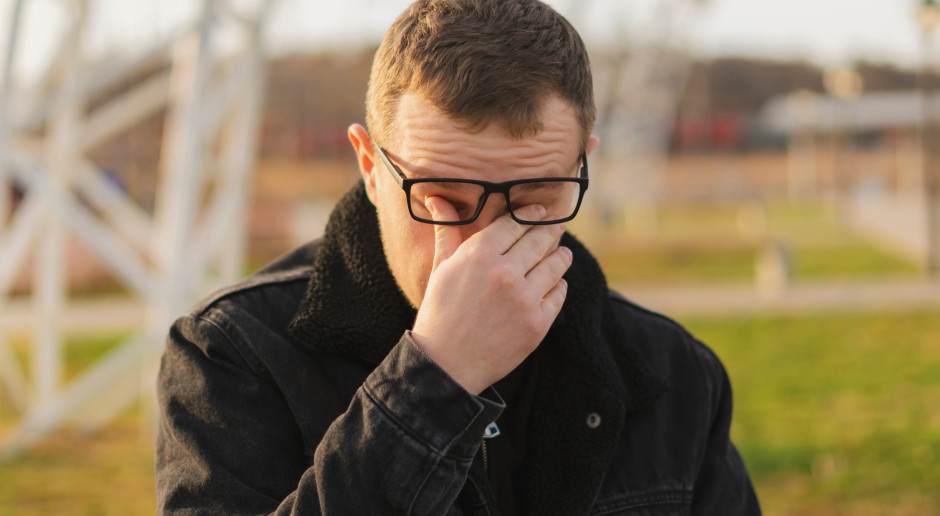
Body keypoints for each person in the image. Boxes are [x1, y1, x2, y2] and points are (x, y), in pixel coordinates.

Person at [155, 0, 762, 514]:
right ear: (370, 167)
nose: (481, 250)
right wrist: (434, 379)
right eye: (441, 200)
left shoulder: (673, 372)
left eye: (531, 202)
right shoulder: (232, 354)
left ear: (582, 169)